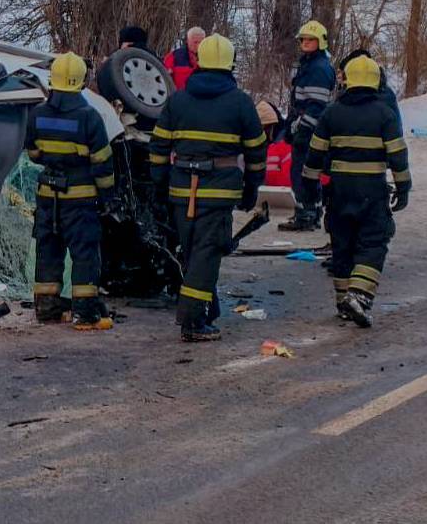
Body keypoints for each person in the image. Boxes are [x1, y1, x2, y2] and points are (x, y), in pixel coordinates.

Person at [149, 34, 266, 342]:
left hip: (181, 190)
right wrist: (251, 189)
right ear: (230, 64)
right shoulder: (240, 102)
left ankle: (205, 308)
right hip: (218, 194)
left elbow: (159, 147)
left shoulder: (177, 100)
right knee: (206, 254)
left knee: (192, 254)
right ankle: (192, 319)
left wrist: (161, 186)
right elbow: (256, 152)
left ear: (198, 61)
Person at [301, 55, 410, 328]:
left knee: (342, 243)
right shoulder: (384, 113)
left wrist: (309, 188)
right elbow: (398, 154)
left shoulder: (332, 112)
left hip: (338, 190)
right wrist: (404, 186)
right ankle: (359, 296)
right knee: (373, 241)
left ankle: (343, 302)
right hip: (371, 190)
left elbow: (314, 154)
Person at [26, 52, 116, 331]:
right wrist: (108, 198)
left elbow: (33, 153)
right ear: (80, 81)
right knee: (84, 254)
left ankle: (47, 309)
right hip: (79, 198)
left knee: (48, 250)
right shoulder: (89, 117)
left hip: (47, 196)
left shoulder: (37, 113)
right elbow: (102, 163)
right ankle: (84, 314)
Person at [279, 20, 336, 232]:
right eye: (303, 39)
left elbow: (317, 105)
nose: (305, 42)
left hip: (309, 129)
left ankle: (306, 214)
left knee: (302, 173)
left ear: (319, 42)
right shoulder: (310, 64)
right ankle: (310, 212)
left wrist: (302, 130)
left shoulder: (318, 68)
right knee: (306, 172)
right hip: (304, 125)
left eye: (310, 39)